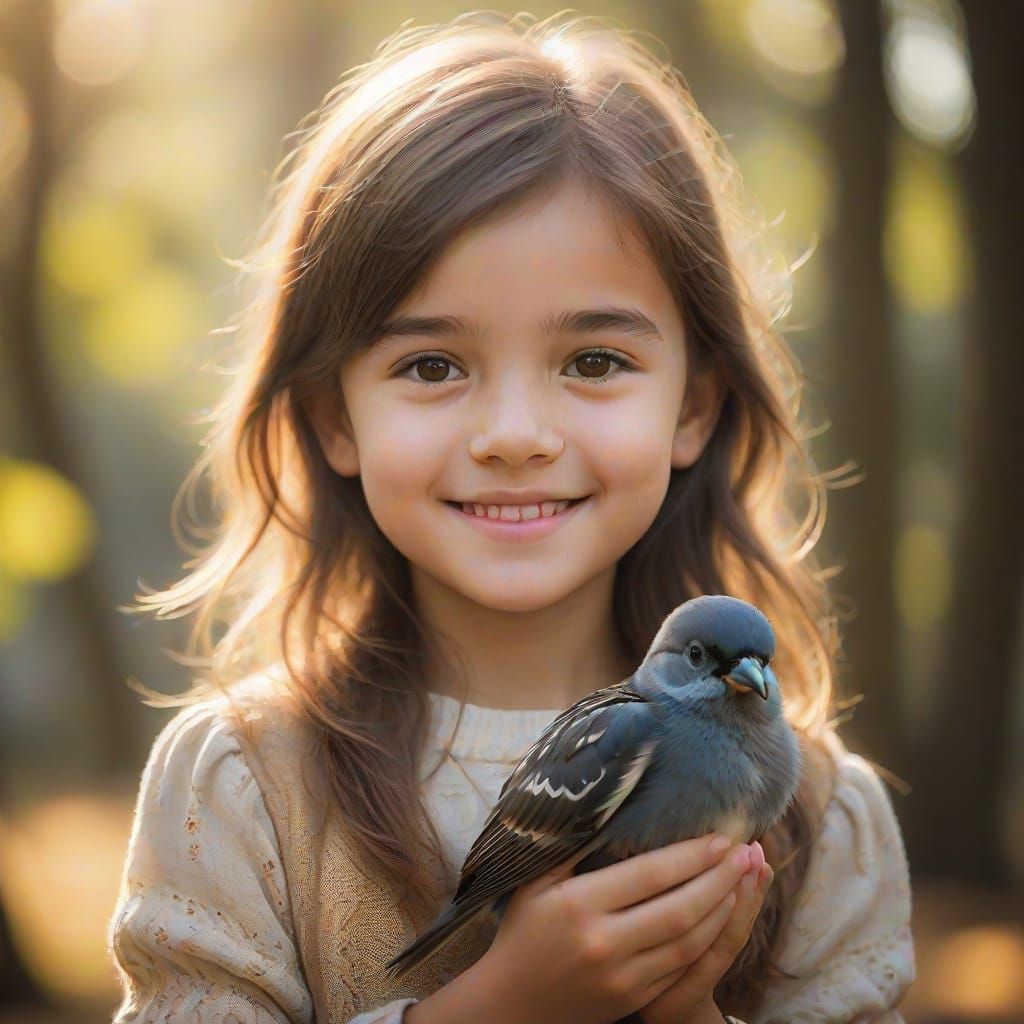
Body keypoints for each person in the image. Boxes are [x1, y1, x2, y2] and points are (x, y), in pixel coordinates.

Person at [107, 11, 915, 1024]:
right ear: (333, 416)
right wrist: (498, 1007)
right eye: (432, 365)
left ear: (694, 406)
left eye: (593, 361)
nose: (515, 433)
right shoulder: (236, 790)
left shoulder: (824, 818)